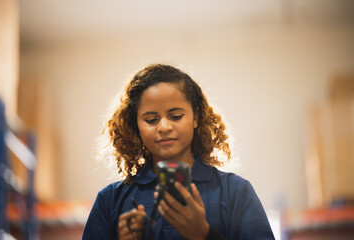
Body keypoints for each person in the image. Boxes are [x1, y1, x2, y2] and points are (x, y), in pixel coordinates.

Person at [82, 64, 274, 240]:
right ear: (136, 125)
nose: (164, 127)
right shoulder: (110, 200)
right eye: (151, 120)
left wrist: (205, 235)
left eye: (175, 116)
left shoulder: (236, 192)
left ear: (196, 117)